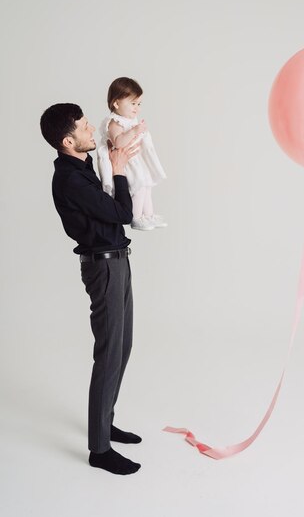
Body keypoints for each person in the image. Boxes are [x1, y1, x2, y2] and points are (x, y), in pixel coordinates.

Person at [40, 103, 142, 475]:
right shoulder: (69, 179)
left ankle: (105, 422)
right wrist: (118, 172)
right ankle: (99, 449)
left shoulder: (82, 167)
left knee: (123, 346)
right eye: (84, 127)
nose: (91, 130)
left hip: (118, 260)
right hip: (103, 267)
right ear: (68, 141)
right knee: (109, 352)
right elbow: (121, 214)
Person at [97, 77, 167, 231]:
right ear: (116, 103)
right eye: (133, 103)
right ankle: (135, 217)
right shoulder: (114, 122)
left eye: (139, 104)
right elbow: (118, 142)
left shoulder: (130, 120)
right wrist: (135, 130)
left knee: (147, 186)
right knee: (139, 186)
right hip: (126, 162)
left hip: (136, 160)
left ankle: (148, 215)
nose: (137, 108)